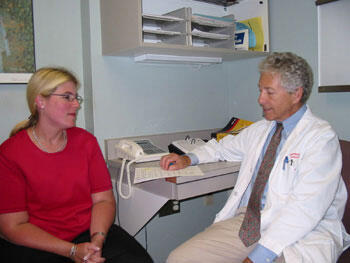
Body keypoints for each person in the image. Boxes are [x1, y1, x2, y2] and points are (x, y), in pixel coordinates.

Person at [160, 52, 350, 263]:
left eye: (269, 92)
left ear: (296, 94)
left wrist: (257, 258)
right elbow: (222, 148)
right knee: (179, 259)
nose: (260, 99)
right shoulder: (261, 129)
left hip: (304, 232)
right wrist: (189, 158)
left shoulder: (321, 139)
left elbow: (305, 210)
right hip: (251, 223)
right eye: (260, 90)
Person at [0, 67, 153, 263]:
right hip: (38, 242)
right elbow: (14, 226)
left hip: (87, 234)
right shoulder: (10, 153)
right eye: (67, 97)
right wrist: (72, 251)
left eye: (76, 98)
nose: (76, 105)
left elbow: (103, 201)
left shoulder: (85, 142)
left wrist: (97, 242)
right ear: (40, 101)